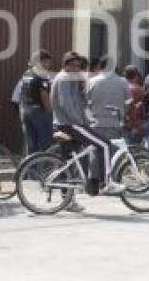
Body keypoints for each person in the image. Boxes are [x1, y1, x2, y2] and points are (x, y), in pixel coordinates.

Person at [52, 51, 124, 197]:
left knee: (70, 161)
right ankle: (106, 182)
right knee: (104, 144)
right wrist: (81, 123)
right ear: (65, 65)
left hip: (66, 123)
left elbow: (80, 103)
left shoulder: (69, 79)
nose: (77, 69)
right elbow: (66, 104)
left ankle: (67, 199)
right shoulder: (64, 78)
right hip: (71, 124)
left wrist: (81, 89)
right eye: (73, 65)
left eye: (79, 66)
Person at [85, 55, 130, 141]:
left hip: (96, 123)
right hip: (115, 123)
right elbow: (128, 103)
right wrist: (122, 115)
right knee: (112, 152)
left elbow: (84, 104)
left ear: (100, 66)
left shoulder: (91, 81)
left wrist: (89, 118)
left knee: (96, 151)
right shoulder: (123, 82)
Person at [123, 65, 147, 144]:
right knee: (135, 150)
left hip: (123, 123)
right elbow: (137, 109)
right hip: (136, 124)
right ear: (136, 76)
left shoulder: (122, 87)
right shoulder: (139, 89)